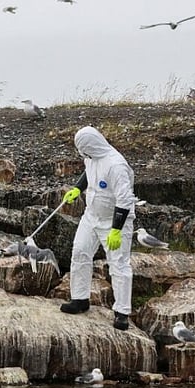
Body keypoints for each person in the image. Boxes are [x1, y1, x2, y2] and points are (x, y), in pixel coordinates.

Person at [59, 126, 136, 331]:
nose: (81, 153)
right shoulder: (92, 156)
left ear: (91, 144)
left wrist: (116, 229)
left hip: (114, 220)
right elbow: (88, 172)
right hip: (91, 215)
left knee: (118, 264)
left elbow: (125, 199)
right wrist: (77, 188)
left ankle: (122, 312)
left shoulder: (116, 165)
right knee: (80, 252)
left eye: (82, 148)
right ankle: (80, 299)